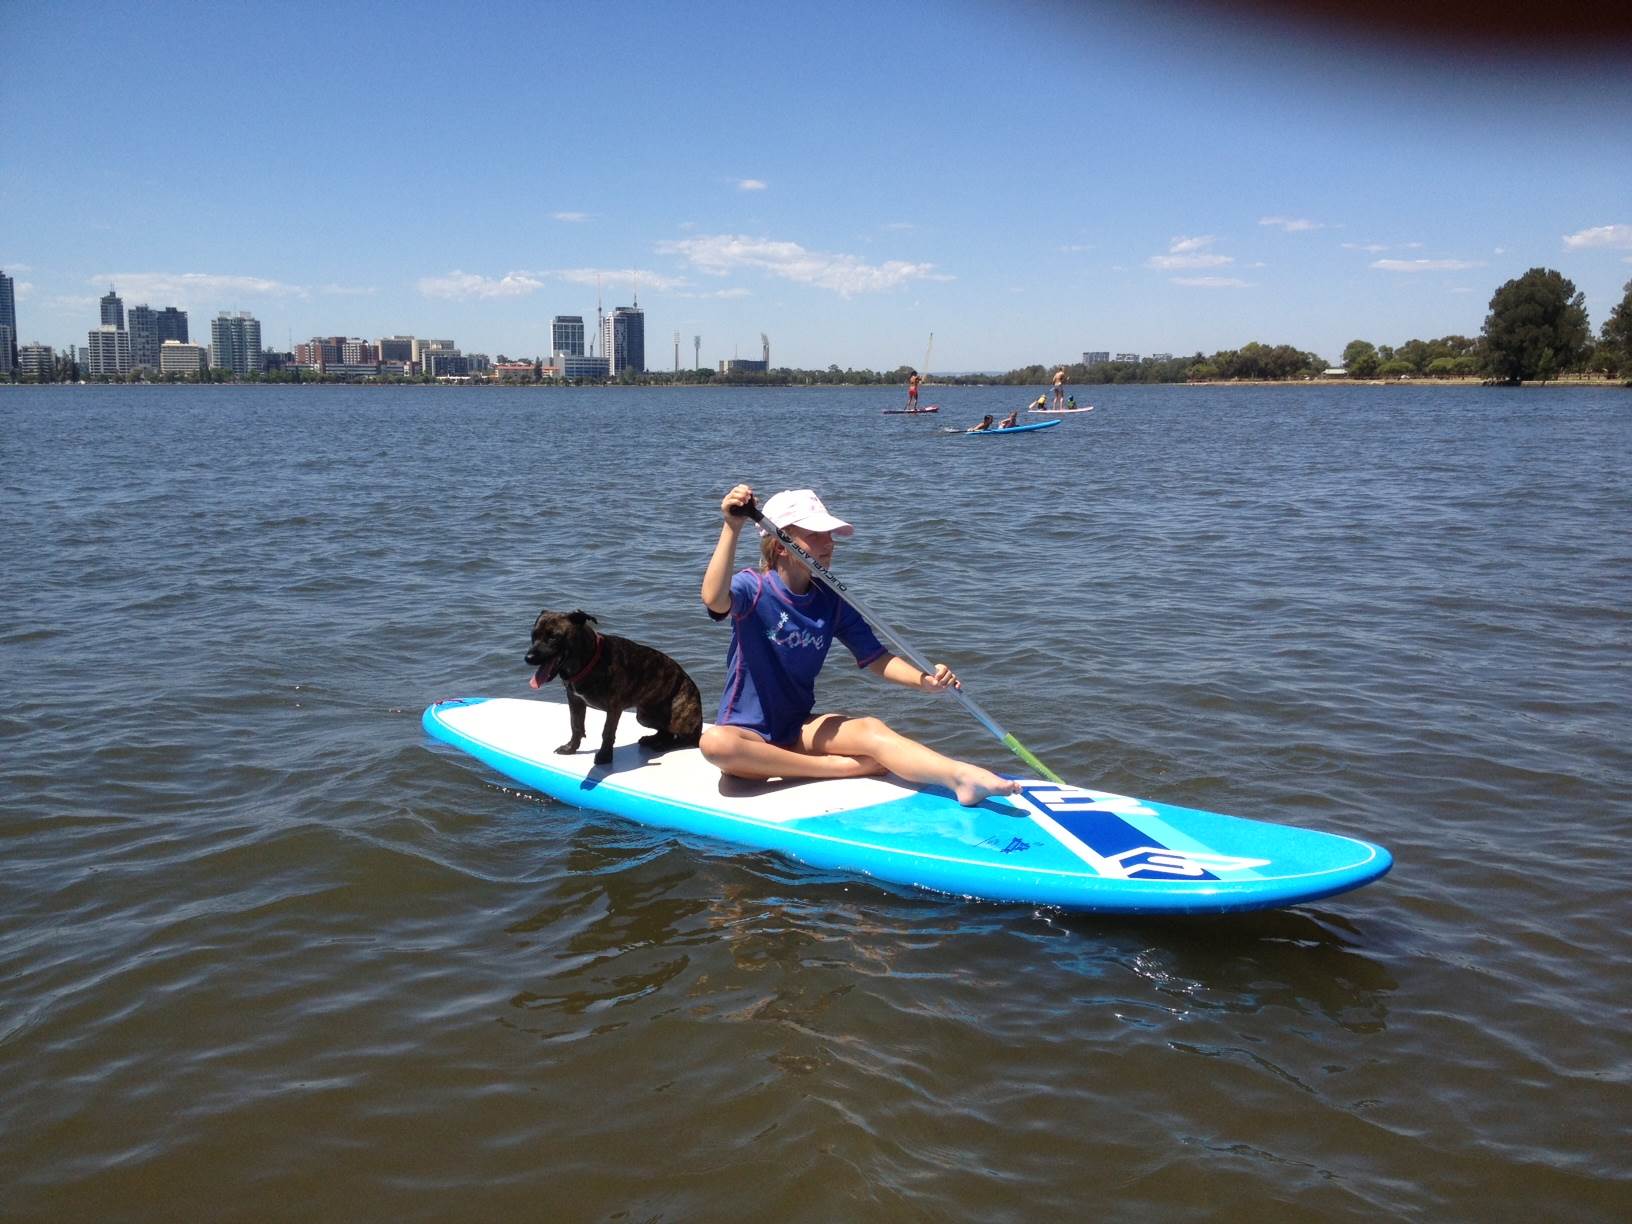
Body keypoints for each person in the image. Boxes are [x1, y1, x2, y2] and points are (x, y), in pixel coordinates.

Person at [700, 486, 1021, 807]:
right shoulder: (753, 588)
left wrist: (925, 682)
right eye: (816, 534)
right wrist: (732, 526)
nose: (829, 543)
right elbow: (714, 599)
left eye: (830, 535)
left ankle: (960, 777)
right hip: (747, 735)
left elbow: (877, 658)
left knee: (870, 730)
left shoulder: (832, 601)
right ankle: (835, 769)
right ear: (781, 545)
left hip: (798, 728)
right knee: (715, 744)